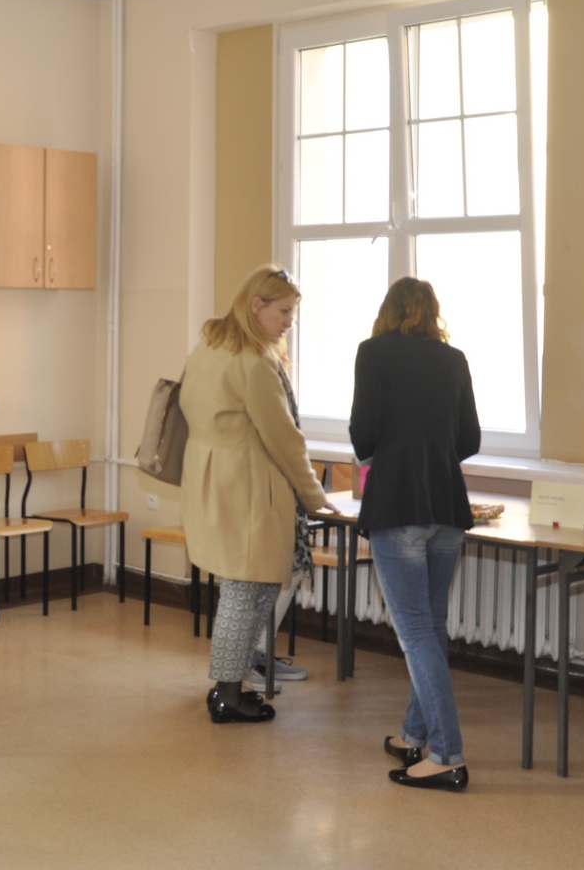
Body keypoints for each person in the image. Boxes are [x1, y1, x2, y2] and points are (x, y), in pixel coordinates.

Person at [180, 264, 328, 724]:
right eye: (283, 312)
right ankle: (227, 694)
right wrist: (314, 495)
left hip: (214, 481)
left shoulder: (210, 346)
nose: (289, 323)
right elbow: (284, 439)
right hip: (247, 488)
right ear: (256, 304)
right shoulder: (255, 361)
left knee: (246, 590)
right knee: (246, 594)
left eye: (293, 314)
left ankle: (230, 684)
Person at [350, 277, 480, 792]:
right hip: (447, 506)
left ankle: (447, 754)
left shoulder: (373, 352)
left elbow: (363, 434)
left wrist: (397, 453)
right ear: (432, 313)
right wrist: (431, 453)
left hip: (398, 504)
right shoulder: (454, 359)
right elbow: (469, 438)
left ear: (388, 311)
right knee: (431, 624)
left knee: (415, 631)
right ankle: (413, 734)